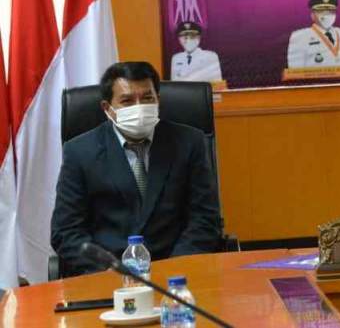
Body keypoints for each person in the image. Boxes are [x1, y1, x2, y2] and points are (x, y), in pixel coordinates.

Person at [51, 62, 221, 276]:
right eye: (127, 101)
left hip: (177, 270)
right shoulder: (79, 152)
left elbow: (205, 219)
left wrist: (174, 269)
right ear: (107, 108)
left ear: (158, 100)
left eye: (147, 98)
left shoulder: (189, 142)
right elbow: (66, 231)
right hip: (107, 275)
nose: (139, 107)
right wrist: (107, 271)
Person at [287, 0, 340, 68]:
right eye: (321, 11)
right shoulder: (299, 36)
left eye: (330, 11)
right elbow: (295, 70)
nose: (326, 15)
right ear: (312, 15)